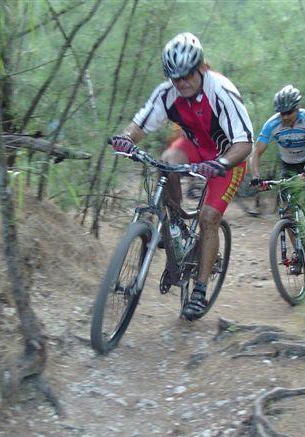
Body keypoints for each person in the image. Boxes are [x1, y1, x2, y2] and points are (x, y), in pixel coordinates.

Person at [110, 32, 253, 321]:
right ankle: (174, 225)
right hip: (195, 147)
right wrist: (126, 139)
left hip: (229, 156)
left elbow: (245, 142)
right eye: (175, 78)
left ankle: (199, 290)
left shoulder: (221, 91)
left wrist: (222, 162)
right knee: (166, 161)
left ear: (201, 68)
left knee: (208, 218)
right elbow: (140, 124)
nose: (181, 83)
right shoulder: (167, 93)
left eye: (186, 75)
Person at [248, 84, 305, 219]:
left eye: (289, 112)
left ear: (297, 108)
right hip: (288, 164)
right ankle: (295, 236)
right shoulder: (272, 124)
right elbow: (255, 153)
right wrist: (256, 177)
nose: (285, 117)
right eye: (282, 113)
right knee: (287, 213)